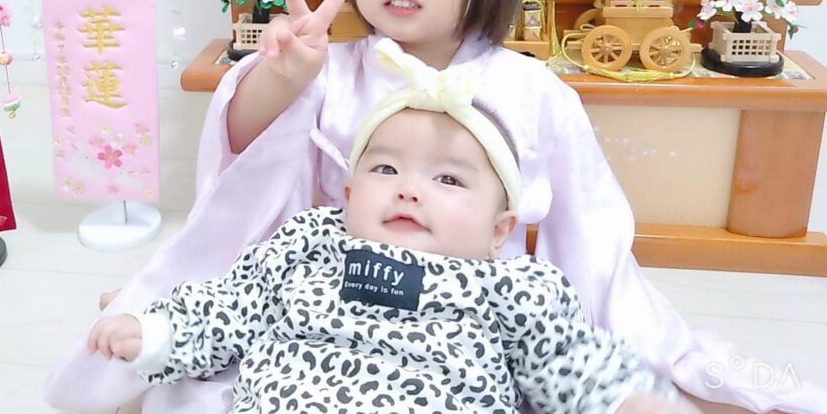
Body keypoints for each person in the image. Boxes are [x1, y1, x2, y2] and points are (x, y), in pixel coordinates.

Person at [46, 0, 825, 413]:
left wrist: (625, 348)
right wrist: (282, 78)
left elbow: (588, 235)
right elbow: (245, 169)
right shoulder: (331, 68)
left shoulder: (534, 91)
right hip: (328, 308)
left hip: (464, 319)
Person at [88, 38, 695, 414]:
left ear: (498, 229)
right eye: (385, 168)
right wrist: (155, 331)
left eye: (449, 179)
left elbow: (568, 359)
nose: (410, 188)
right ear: (349, 194)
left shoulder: (513, 286)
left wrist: (629, 399)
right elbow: (229, 306)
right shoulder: (308, 243)